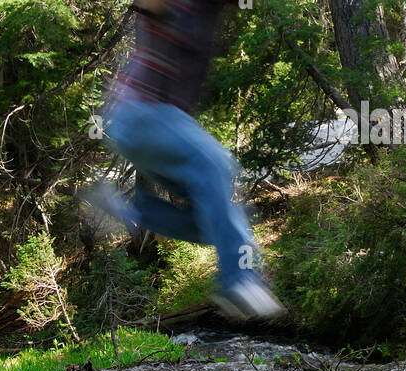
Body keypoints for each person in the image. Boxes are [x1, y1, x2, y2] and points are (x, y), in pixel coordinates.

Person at [81, 0, 285, 322]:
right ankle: (240, 281)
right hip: (140, 116)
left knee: (215, 223)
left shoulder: (210, 13)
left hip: (149, 134)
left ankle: (128, 209)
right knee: (218, 164)